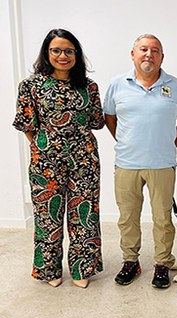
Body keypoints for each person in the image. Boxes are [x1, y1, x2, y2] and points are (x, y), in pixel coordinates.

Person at [12, 29, 105, 288]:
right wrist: (45, 145)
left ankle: (81, 269)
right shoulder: (31, 86)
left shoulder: (89, 86)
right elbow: (27, 124)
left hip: (85, 161)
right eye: (56, 50)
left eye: (68, 51)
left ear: (76, 54)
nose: (62, 55)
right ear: (47, 53)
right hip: (46, 163)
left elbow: (96, 122)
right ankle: (49, 270)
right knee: (46, 217)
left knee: (84, 216)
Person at [104, 34, 177, 288]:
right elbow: (110, 118)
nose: (149, 54)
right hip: (126, 164)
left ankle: (162, 263)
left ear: (162, 57)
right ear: (133, 54)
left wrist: (167, 145)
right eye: (143, 49)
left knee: (162, 218)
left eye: (155, 51)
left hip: (162, 164)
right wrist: (126, 142)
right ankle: (131, 261)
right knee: (127, 216)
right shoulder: (117, 84)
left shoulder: (175, 85)